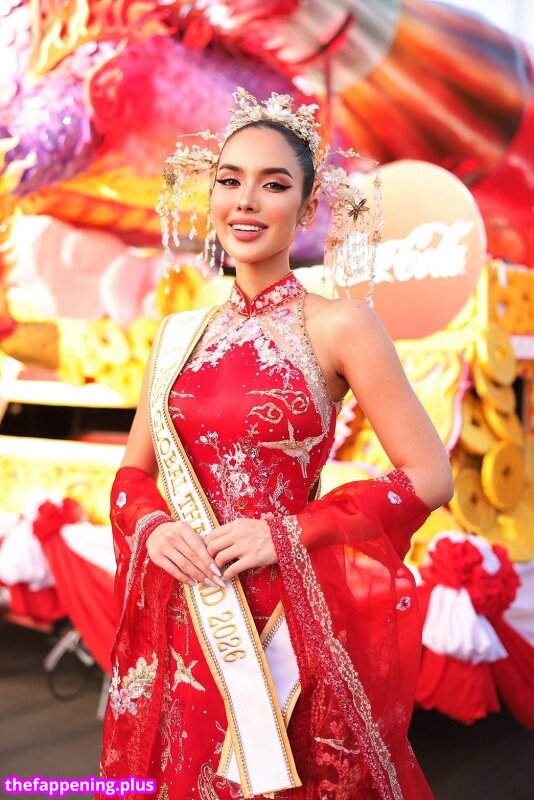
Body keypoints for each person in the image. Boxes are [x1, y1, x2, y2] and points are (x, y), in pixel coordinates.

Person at [97, 89, 454, 800]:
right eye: (230, 180)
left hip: (285, 624)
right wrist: (154, 524)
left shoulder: (341, 326)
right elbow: (132, 474)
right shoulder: (176, 335)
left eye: (274, 184)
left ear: (308, 206)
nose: (246, 201)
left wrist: (288, 532)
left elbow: (428, 475)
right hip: (185, 613)